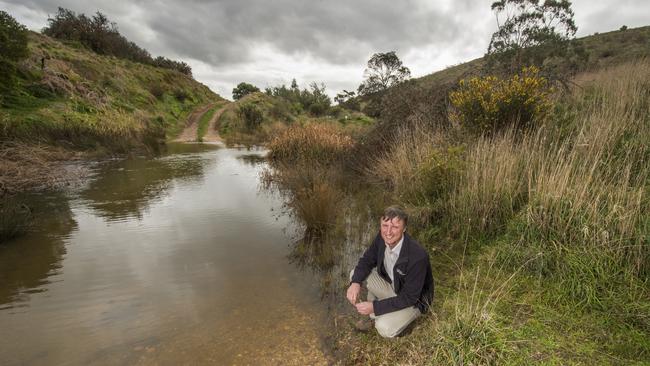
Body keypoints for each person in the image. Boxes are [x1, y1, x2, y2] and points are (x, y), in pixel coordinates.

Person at [346, 206, 434, 338]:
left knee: (383, 328)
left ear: (404, 228)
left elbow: (409, 297)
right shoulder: (382, 239)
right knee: (355, 275)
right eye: (385, 225)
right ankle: (373, 313)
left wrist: (375, 307)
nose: (388, 232)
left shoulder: (418, 256)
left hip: (414, 301)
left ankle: (405, 322)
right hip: (393, 287)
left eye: (395, 227)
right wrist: (355, 283)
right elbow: (367, 260)